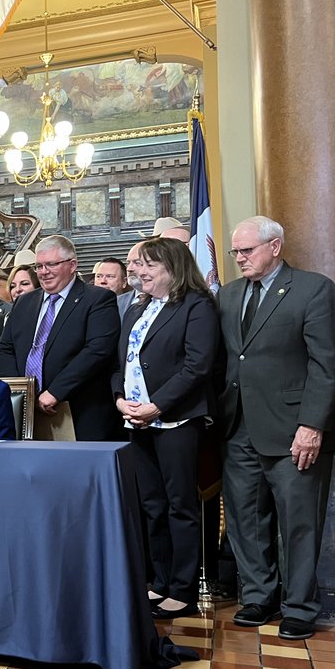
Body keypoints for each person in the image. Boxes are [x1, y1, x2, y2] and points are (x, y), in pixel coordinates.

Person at [217, 215, 335, 640]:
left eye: (246, 250)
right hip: (238, 427)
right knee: (244, 517)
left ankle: (300, 606)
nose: (239, 259)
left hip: (293, 429)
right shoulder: (230, 296)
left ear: (275, 246)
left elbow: (326, 365)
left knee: (298, 521)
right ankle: (258, 596)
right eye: (235, 251)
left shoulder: (313, 289)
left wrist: (312, 425)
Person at [112, 238, 219, 619]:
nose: (139, 272)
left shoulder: (197, 305)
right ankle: (160, 581)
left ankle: (183, 589)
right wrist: (120, 400)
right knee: (152, 504)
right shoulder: (138, 308)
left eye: (149, 267)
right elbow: (120, 362)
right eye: (139, 266)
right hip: (136, 420)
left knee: (180, 506)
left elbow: (198, 365)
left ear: (173, 269)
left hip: (176, 420)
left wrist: (158, 405)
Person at [0, 235, 122, 440]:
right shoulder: (25, 302)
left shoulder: (98, 299)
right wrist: (22, 393)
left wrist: (55, 392)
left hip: (78, 412)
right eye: (39, 266)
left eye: (51, 264)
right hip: (28, 413)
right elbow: (4, 348)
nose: (44, 272)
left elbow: (98, 351)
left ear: (72, 265)